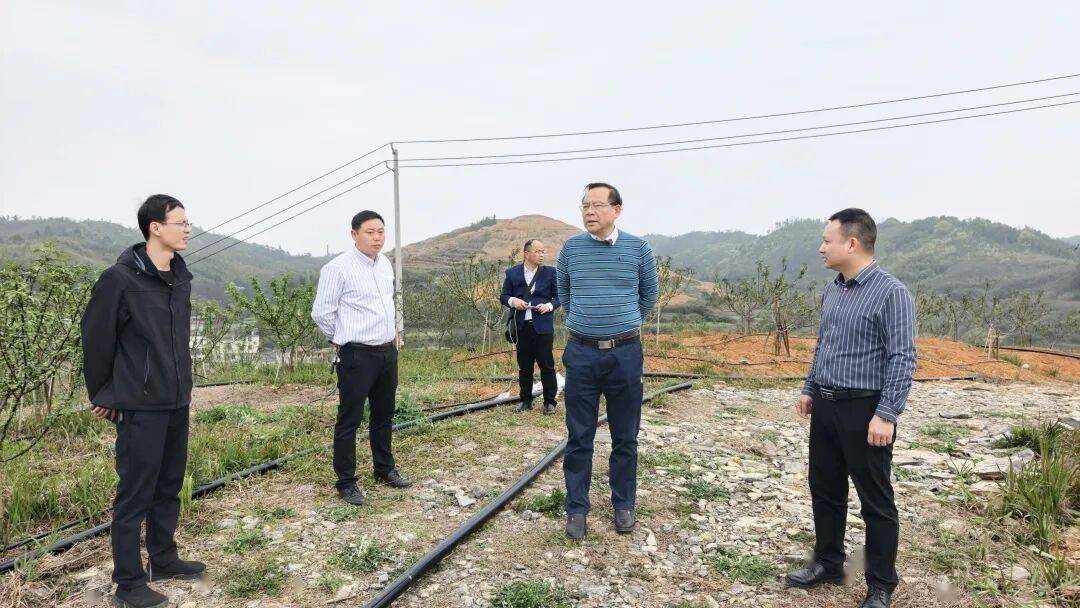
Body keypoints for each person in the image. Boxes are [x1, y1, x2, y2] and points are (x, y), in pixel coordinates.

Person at [785, 209, 916, 608]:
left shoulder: (892, 293)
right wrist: (810, 387)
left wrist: (887, 413)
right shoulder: (834, 290)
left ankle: (881, 585)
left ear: (852, 243)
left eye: (828, 241)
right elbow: (825, 345)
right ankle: (829, 563)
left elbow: (902, 358)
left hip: (865, 409)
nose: (821, 248)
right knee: (825, 489)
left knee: (875, 501)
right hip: (825, 406)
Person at [81, 194, 205, 608]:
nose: (187, 229)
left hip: (176, 399)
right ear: (155, 227)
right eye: (180, 222)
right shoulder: (119, 279)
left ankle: (163, 559)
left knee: (169, 484)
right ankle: (128, 582)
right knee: (135, 492)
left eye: (187, 222)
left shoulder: (180, 276)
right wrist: (104, 393)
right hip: (140, 403)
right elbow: (96, 340)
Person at [556, 182, 658, 540]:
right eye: (585, 205)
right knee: (579, 435)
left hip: (625, 354)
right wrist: (587, 323)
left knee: (625, 435)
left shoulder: (638, 249)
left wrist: (622, 324)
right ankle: (576, 508)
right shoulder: (570, 249)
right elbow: (565, 293)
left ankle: (623, 503)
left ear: (617, 210)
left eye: (597, 205)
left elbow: (649, 296)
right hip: (581, 353)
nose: (589, 211)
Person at [311, 210, 411, 507]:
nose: (377, 238)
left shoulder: (385, 264)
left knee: (384, 413)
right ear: (354, 234)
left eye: (381, 231)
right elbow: (322, 313)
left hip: (386, 350)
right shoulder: (337, 268)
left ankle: (384, 469)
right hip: (356, 353)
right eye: (370, 232)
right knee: (350, 418)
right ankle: (346, 481)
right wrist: (342, 338)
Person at [500, 239, 560, 414]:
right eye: (538, 251)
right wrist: (514, 301)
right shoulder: (512, 273)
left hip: (543, 327)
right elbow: (504, 296)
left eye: (543, 251)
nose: (542, 255)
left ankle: (550, 402)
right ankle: (525, 401)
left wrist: (548, 306)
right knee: (525, 366)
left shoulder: (550, 273)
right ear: (526, 253)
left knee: (547, 365)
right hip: (522, 327)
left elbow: (559, 297)